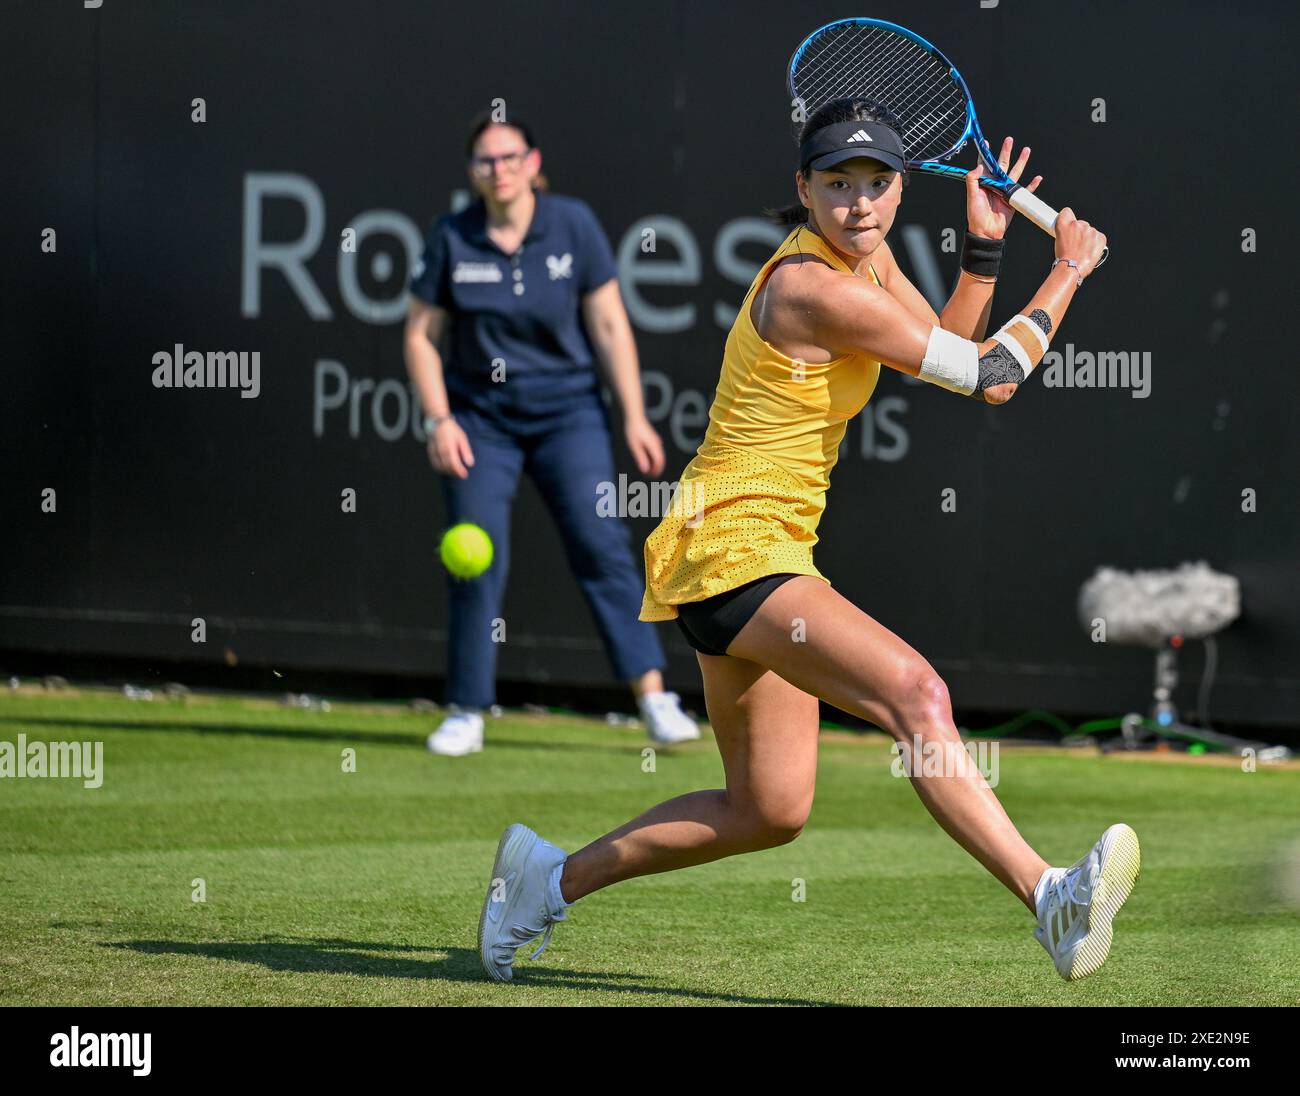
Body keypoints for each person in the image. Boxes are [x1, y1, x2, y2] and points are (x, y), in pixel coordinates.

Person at [476, 98, 1138, 984]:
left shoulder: (866, 264)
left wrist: (983, 250)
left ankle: (543, 883)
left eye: (876, 184)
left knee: (768, 810)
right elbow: (990, 377)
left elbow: (949, 347)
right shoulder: (809, 287)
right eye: (837, 186)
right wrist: (1068, 270)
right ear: (805, 189)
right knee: (917, 694)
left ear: (901, 191)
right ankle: (1050, 899)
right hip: (732, 548)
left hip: (756, 554)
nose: (858, 204)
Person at [404, 113, 699, 754]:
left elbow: (611, 327)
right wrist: (439, 419)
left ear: (533, 163)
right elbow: (421, 337)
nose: (499, 170)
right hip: (481, 422)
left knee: (600, 546)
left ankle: (654, 698)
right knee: (474, 554)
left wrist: (633, 415)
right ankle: (466, 708)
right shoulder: (452, 236)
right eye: (486, 160)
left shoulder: (573, 225)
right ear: (472, 172)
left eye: (510, 157)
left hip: (569, 415)